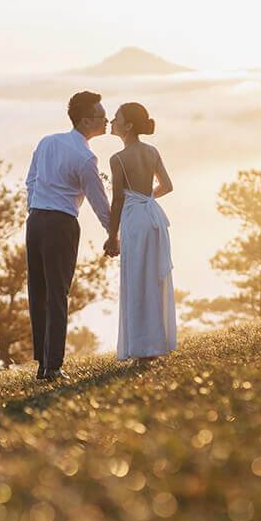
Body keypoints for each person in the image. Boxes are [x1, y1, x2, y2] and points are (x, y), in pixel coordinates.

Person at [25, 91, 116, 381]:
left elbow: (31, 180)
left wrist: (35, 206)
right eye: (102, 116)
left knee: (37, 293)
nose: (107, 120)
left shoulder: (48, 141)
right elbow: (99, 202)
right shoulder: (85, 157)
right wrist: (113, 235)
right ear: (86, 120)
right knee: (57, 295)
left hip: (36, 222)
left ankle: (43, 363)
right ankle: (53, 366)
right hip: (61, 225)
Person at [105, 102, 176, 362]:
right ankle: (156, 345)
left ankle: (139, 349)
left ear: (128, 126)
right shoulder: (152, 151)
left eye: (116, 118)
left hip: (135, 220)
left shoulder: (118, 159)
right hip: (153, 217)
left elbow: (117, 202)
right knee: (153, 281)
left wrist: (112, 236)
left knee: (136, 281)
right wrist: (146, 197)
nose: (112, 121)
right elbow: (167, 186)